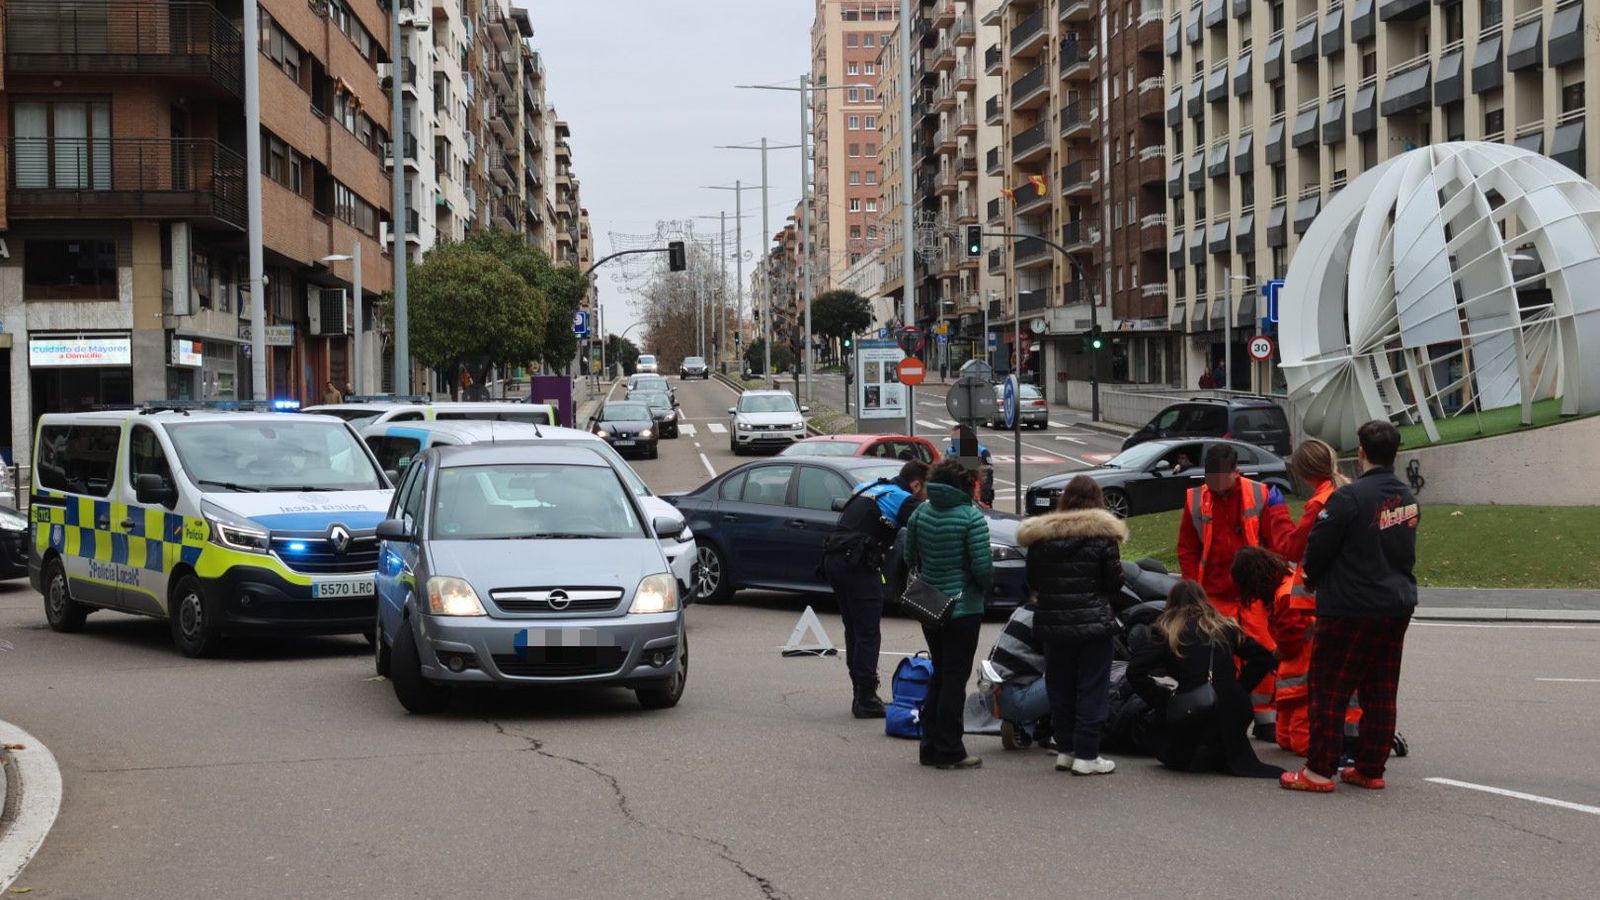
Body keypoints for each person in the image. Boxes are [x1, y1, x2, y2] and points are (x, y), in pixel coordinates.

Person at [1282, 420, 1419, 793]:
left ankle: (1318, 771)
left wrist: (1312, 577)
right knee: (1380, 689)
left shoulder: (1349, 497)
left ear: (1361, 453)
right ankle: (1370, 767)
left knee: (1329, 688)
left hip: (1351, 604)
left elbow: (1318, 549)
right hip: (1396, 602)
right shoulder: (1407, 497)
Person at [1176, 442, 1294, 741]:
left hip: (1252, 594)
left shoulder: (1259, 495)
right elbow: (1188, 549)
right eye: (1210, 478)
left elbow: (1274, 545)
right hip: (1214, 595)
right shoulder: (1195, 499)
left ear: (1236, 472)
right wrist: (1193, 590)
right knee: (1222, 660)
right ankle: (1226, 714)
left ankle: (1264, 718)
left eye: (1221, 479)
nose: (1215, 485)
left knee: (1263, 651)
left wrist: (1271, 588)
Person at [1017, 474, 1126, 776]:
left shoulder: (1041, 538)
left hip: (1053, 623)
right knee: (1092, 687)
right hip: (1093, 624)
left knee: (1060, 687)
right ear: (1097, 500)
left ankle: (1065, 749)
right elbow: (1115, 582)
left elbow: (1032, 581)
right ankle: (1087, 754)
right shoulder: (1103, 536)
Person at [1126, 580, 1283, 779]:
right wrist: (1240, 688)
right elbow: (1264, 658)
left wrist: (1163, 699)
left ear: (1171, 603)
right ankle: (1217, 751)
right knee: (1224, 732)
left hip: (1195, 708)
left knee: (1158, 735)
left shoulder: (1168, 631)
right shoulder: (1226, 627)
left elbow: (1135, 671)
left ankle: (1196, 752)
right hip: (1235, 706)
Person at [820, 460, 930, 718]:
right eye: (927, 490)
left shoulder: (871, 486)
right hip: (857, 563)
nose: (927, 496)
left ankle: (860, 692)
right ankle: (866, 698)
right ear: (916, 485)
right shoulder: (903, 498)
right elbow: (929, 525)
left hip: (834, 559)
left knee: (854, 629)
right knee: (868, 632)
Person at [904, 459, 994, 770]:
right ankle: (950, 749)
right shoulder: (972, 518)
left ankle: (929, 746)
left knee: (940, 673)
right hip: (963, 607)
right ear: (968, 484)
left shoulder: (920, 512)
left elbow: (909, 556)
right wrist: (984, 586)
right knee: (955, 679)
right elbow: (982, 569)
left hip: (930, 604)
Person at [978, 606, 1052, 750]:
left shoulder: (1022, 611)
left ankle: (1021, 726)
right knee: (1070, 680)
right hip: (1014, 699)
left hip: (990, 696)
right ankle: (1057, 733)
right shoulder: (1046, 619)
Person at [944, 425, 995, 507]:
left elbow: (987, 477)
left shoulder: (982, 452)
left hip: (979, 499)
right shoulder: (950, 452)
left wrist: (984, 499)